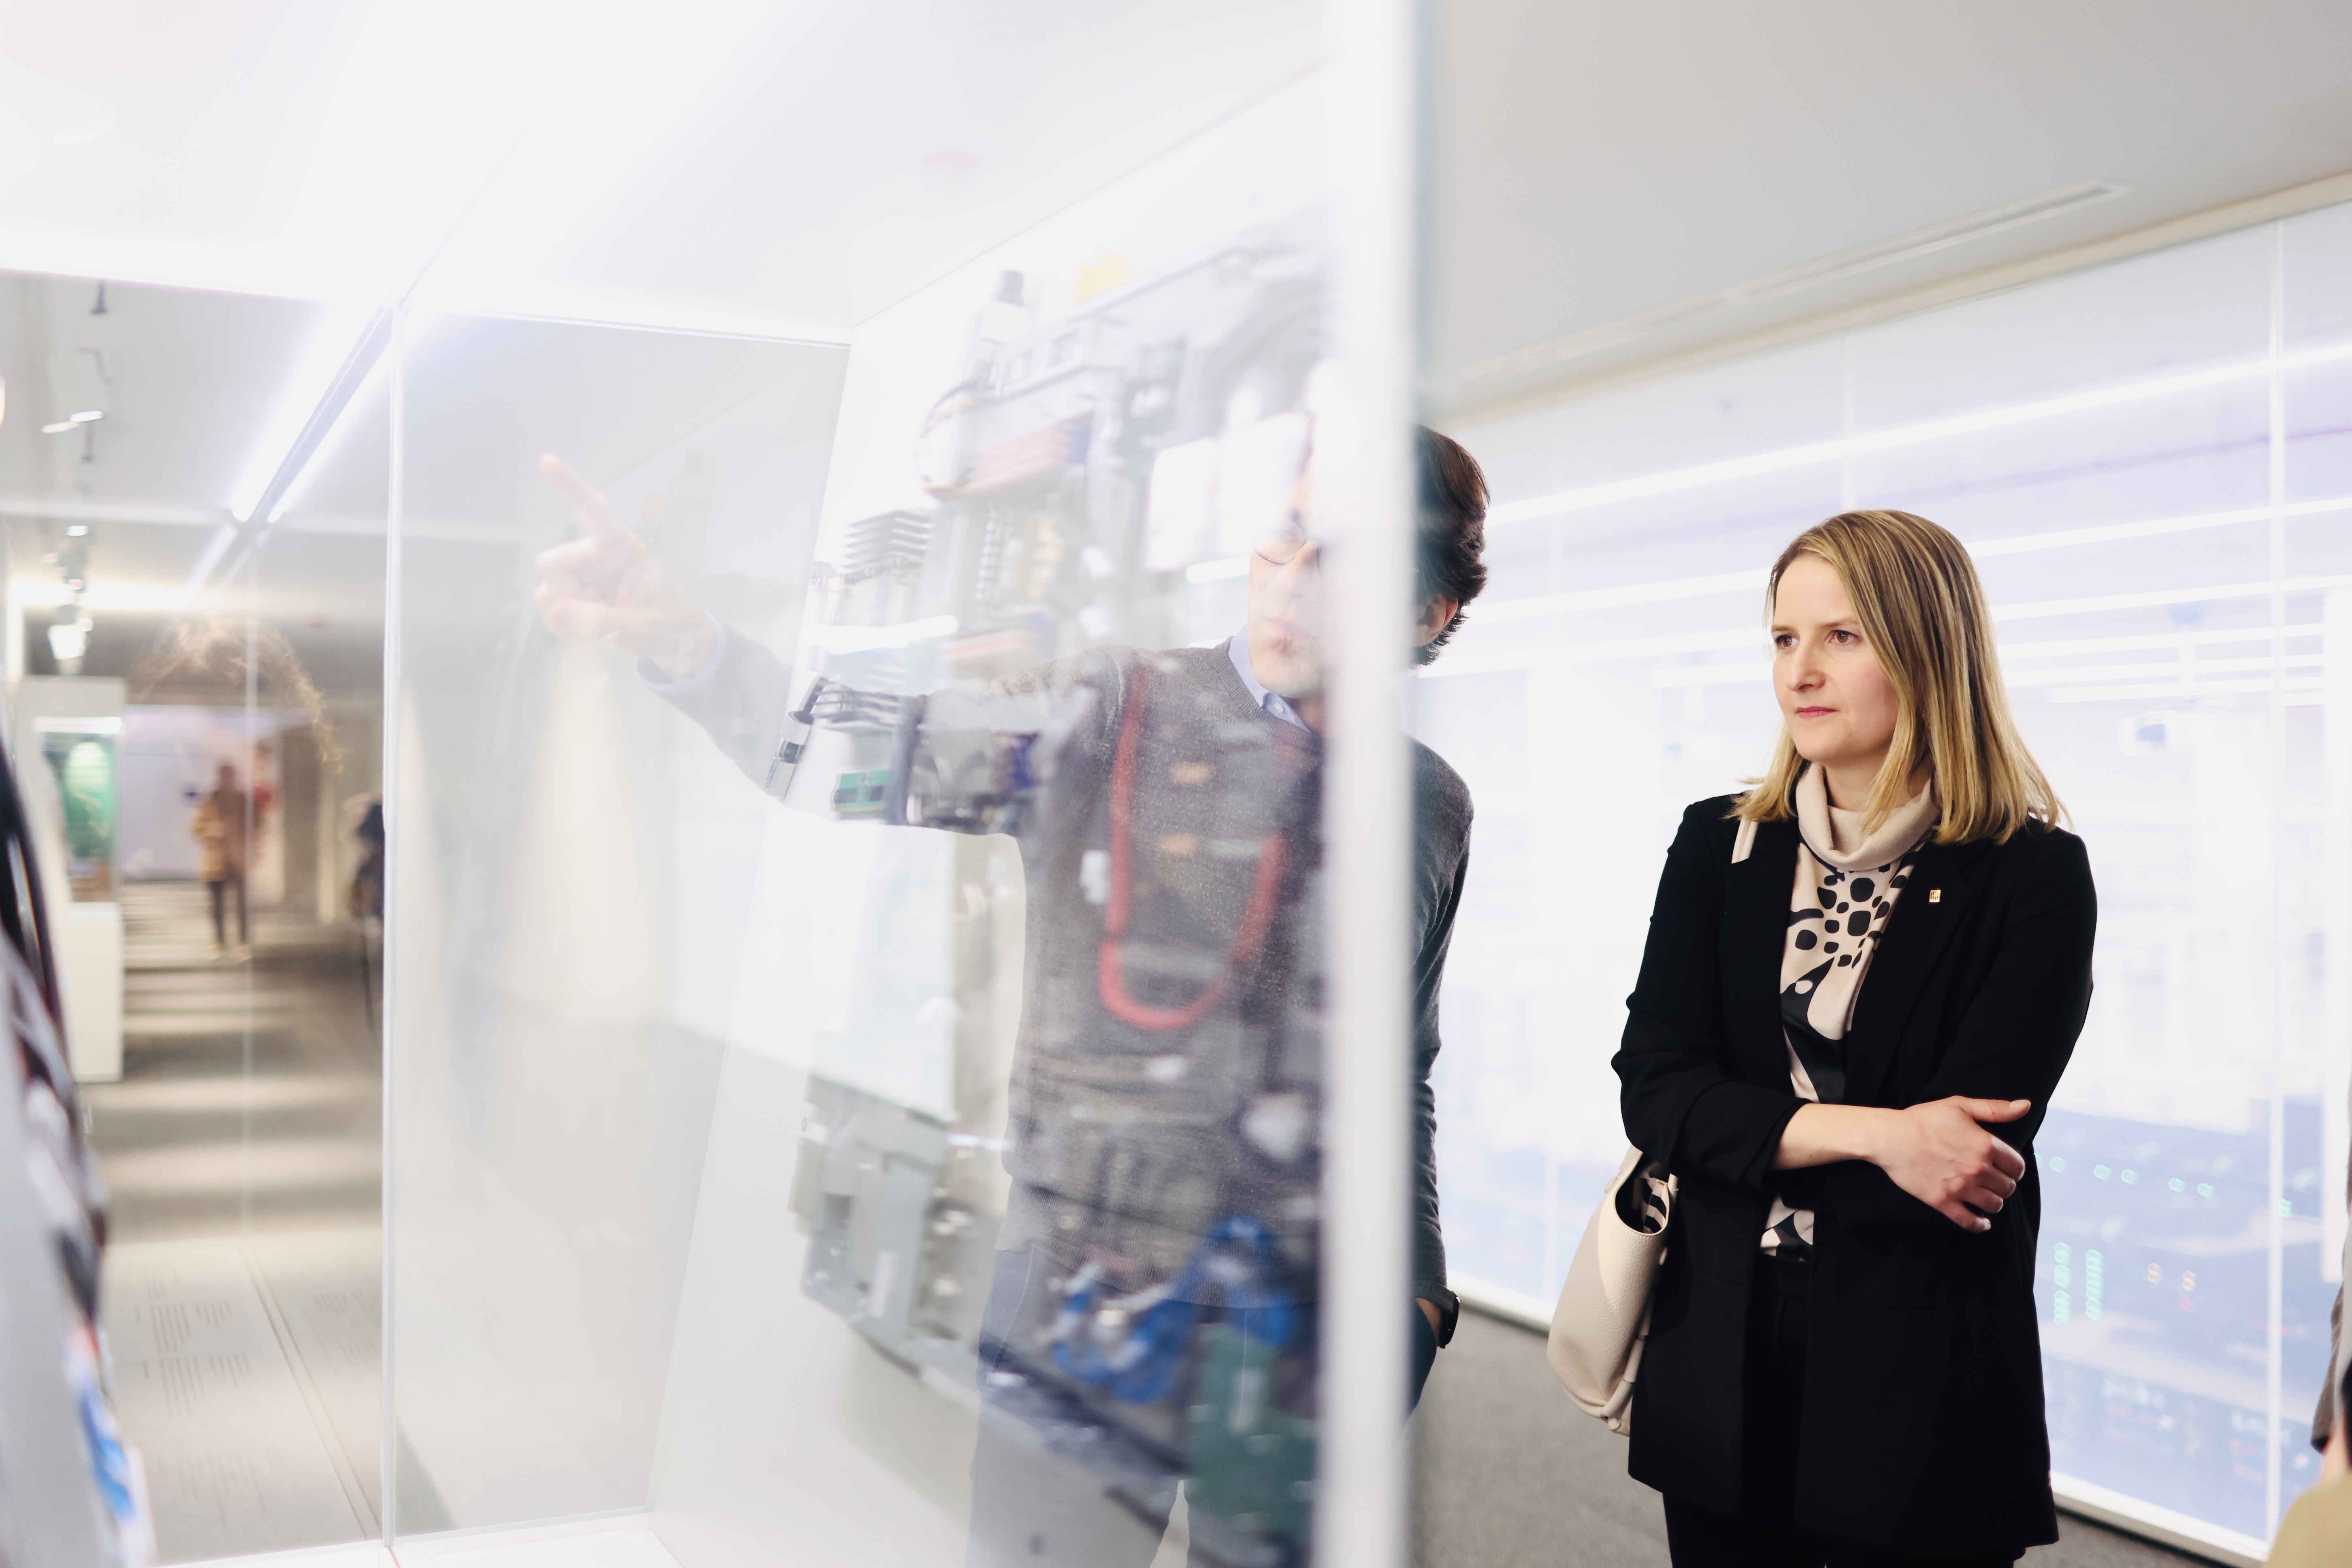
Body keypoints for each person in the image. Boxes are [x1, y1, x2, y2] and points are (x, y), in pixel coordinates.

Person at [533, 426, 1489, 1565]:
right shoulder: (1118, 706)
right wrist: (683, 638)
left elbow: (1400, 1069)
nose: (1296, 586)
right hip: (1086, 1300)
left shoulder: (1431, 804)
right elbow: (862, 751)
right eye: (1286, 541)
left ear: (1428, 615)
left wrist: (1419, 1298)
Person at [1613, 509, 2096, 1566]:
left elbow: (1967, 1153)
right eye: (1785, 639)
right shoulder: (1720, 844)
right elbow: (1654, 1091)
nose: (1802, 671)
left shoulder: (2031, 874)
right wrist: (1879, 1136)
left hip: (1920, 1361)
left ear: (1927, 649)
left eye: (1843, 636)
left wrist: (1748, 1136)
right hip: (1726, 1341)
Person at [192, 762, 250, 960]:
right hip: (216, 862)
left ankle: (244, 942)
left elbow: (257, 825)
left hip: (238, 860)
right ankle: (219, 941)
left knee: (242, 905)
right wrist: (213, 830)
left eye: (230, 776)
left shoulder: (244, 800)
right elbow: (196, 829)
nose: (228, 780)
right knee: (217, 905)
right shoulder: (210, 801)